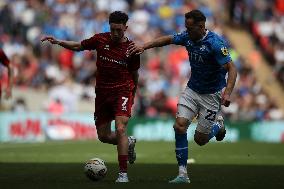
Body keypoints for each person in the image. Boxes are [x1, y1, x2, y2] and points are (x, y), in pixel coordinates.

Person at [129, 9, 237, 183]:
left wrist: (228, 92)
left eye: (190, 28)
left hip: (211, 94)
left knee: (200, 140)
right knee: (179, 127)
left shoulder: (215, 44)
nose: (186, 31)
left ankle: (218, 124)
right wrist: (144, 45)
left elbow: (232, 68)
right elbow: (168, 39)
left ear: (201, 26)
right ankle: (182, 174)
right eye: (185, 27)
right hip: (192, 90)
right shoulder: (188, 37)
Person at [41, 11, 140, 183]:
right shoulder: (100, 39)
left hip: (122, 91)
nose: (116, 33)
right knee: (103, 136)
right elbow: (79, 46)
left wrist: (134, 91)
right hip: (102, 93)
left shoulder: (132, 49)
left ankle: (123, 174)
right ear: (109, 27)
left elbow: (134, 73)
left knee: (121, 128)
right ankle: (128, 143)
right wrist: (59, 42)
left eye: (119, 30)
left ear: (126, 27)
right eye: (113, 29)